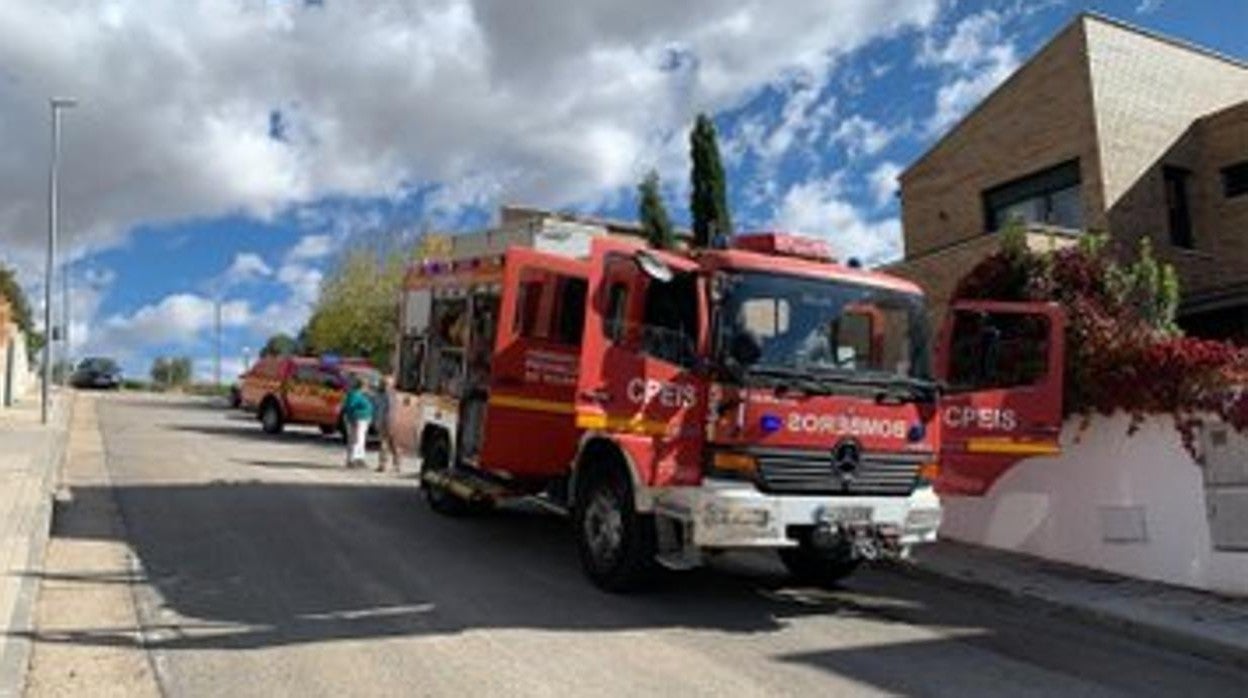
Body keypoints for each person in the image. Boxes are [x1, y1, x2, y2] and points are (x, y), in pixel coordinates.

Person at [341, 374, 374, 469]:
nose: (367, 387)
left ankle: (359, 458)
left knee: (360, 439)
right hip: (357, 419)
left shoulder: (361, 395)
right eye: (366, 385)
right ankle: (353, 460)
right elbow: (350, 407)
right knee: (356, 440)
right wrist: (353, 417)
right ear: (362, 385)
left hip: (362, 419)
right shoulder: (355, 394)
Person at [372, 374, 400, 473]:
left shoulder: (391, 395)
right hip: (381, 421)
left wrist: (391, 422)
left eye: (387, 383)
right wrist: (375, 420)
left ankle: (396, 464)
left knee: (393, 444)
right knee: (384, 443)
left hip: (390, 421)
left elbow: (392, 410)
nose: (385, 385)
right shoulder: (378, 394)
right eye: (384, 383)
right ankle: (382, 464)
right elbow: (375, 408)